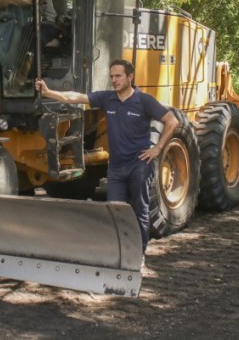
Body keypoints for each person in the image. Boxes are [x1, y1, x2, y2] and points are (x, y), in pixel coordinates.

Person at [35, 59, 178, 253]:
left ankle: (139, 254)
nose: (114, 80)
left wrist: (157, 149)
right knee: (114, 211)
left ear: (130, 77)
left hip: (139, 165)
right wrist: (48, 92)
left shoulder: (145, 101)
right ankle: (118, 254)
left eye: (118, 76)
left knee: (140, 211)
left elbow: (172, 121)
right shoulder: (107, 98)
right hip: (116, 168)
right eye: (112, 76)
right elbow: (75, 97)